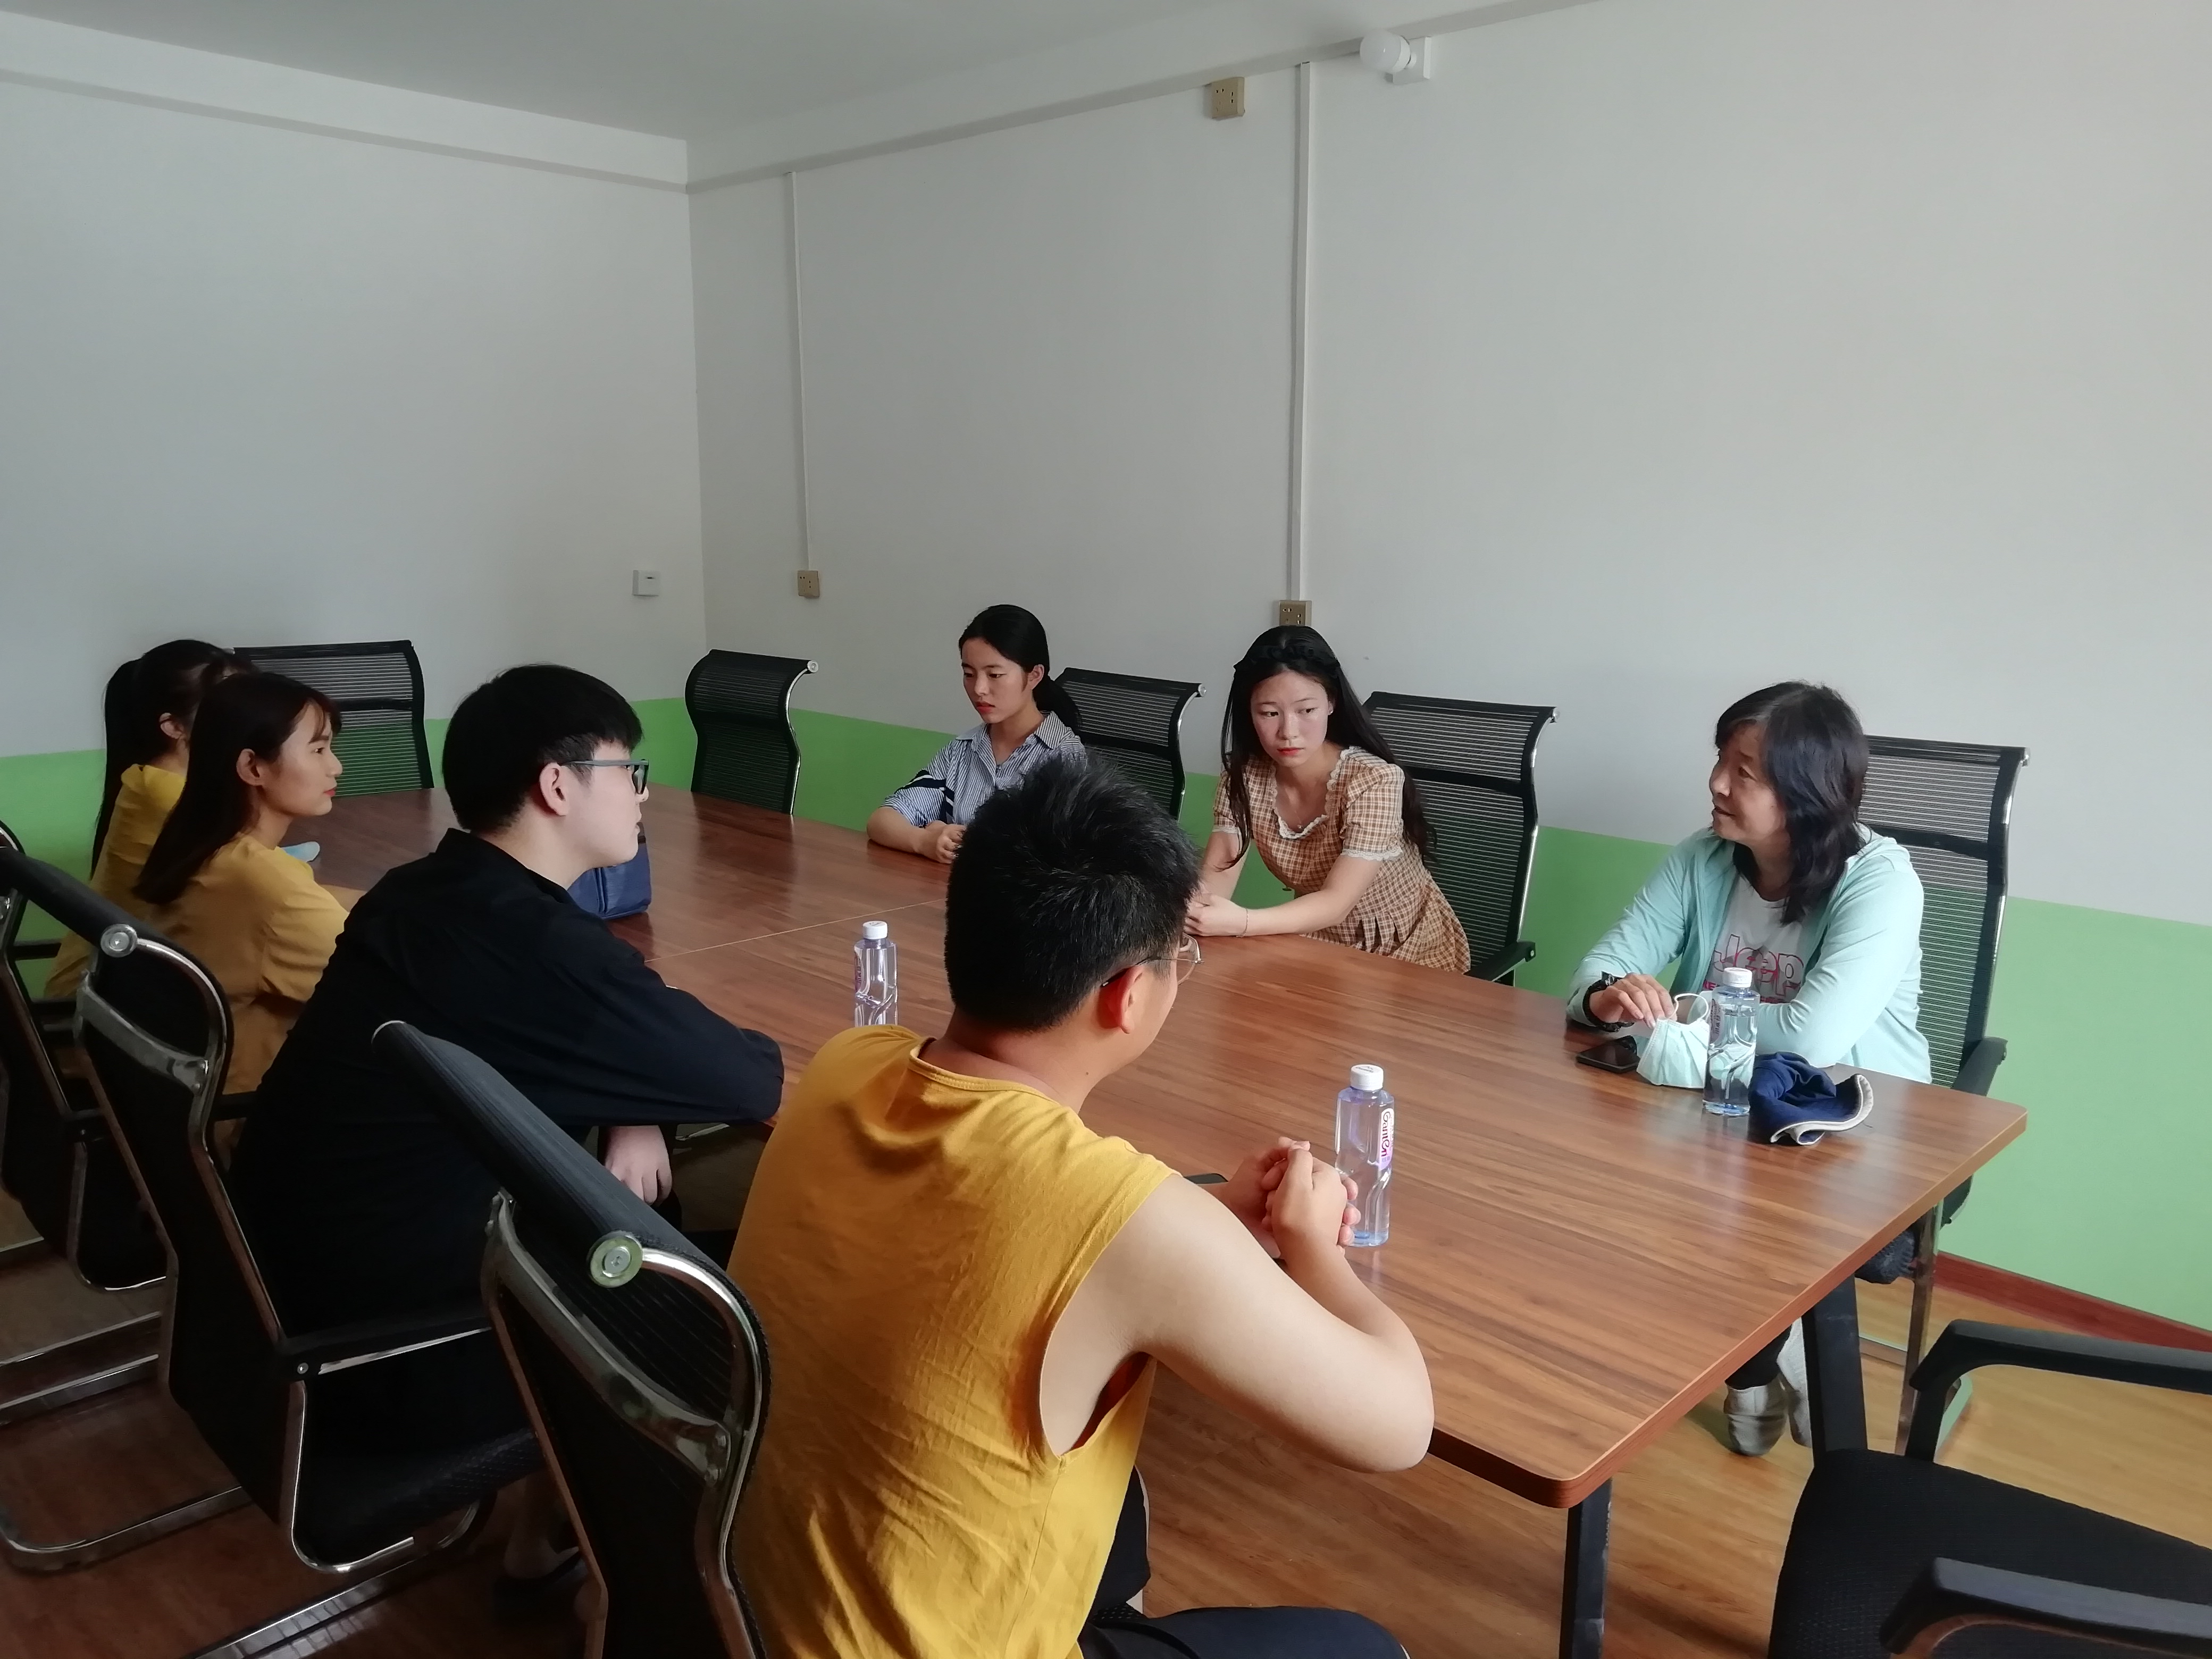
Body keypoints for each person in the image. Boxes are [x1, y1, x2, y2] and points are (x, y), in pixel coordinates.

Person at [733, 758, 1429, 1659]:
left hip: (747, 1608)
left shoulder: (847, 1061)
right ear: (1127, 996)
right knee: (1360, 1649)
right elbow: (1400, 1425)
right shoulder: (1129, 1224)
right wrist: (1310, 1243)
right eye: (1180, 959)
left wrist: (1203, 1218)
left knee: (1114, 1498)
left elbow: (1001, 1205)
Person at [228, 663, 783, 1599]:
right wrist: (639, 1086)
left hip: (287, 1297)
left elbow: (571, 1035)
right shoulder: (539, 947)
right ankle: (647, 1568)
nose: (642, 794)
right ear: (559, 785)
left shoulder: (422, 893)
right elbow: (746, 1075)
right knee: (720, 1273)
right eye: (629, 771)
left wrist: (631, 1101)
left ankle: (549, 1537)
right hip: (404, 1355)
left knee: (635, 1195)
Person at [1566, 681, 1928, 1457]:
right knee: (1597, 1175)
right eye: (1720, 761)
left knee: (1730, 1210)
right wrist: (1610, 999)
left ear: (1808, 793)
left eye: (1745, 772)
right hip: (1716, 1108)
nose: (1717, 784)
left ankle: (1780, 1369)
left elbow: (1814, 1036)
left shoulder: (1882, 883)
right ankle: (1762, 1362)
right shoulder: (1701, 858)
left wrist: (1678, 1010)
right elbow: (1595, 973)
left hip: (1851, 1128)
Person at [1188, 626, 1469, 974]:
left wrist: (1241, 922)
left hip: (1407, 952)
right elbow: (1218, 873)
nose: (1288, 732)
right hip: (1313, 942)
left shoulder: (1374, 780)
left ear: (1331, 703)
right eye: (1270, 713)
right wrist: (1196, 914)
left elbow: (1337, 903)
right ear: (1250, 713)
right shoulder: (1244, 776)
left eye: (1306, 711)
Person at [136, 672, 351, 1095]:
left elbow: (313, 903)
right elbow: (388, 984)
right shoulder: (269, 887)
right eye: (319, 749)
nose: (336, 766)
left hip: (176, 1093)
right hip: (251, 1112)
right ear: (253, 767)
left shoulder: (209, 849)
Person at [46, 640, 241, 998]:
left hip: (113, 986)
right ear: (173, 726)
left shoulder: (156, 781)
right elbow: (264, 885)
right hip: (100, 1004)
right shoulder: (168, 796)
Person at [867, 603, 1086, 863]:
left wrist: (949, 834)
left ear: (1034, 676)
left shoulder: (1066, 758)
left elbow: (1053, 860)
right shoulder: (962, 749)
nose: (979, 689)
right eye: (969, 674)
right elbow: (882, 820)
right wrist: (925, 841)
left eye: (995, 675)